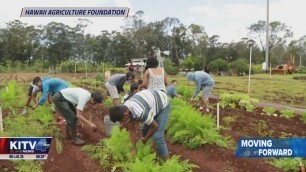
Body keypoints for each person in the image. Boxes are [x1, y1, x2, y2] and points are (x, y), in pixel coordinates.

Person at [109, 89, 171, 160]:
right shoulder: (124, 108)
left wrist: (145, 138)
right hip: (150, 102)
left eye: (121, 121)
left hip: (163, 103)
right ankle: (148, 149)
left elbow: (154, 126)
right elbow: (132, 129)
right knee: (144, 130)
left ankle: (167, 163)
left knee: (157, 136)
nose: (122, 123)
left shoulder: (141, 112)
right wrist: (133, 149)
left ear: (125, 115)